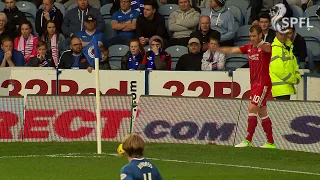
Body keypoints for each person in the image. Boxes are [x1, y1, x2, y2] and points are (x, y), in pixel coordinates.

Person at [215, 25, 276, 149]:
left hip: (263, 83)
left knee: (252, 108)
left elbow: (268, 48)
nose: (252, 38)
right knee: (262, 112)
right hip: (254, 84)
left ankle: (248, 140)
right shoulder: (249, 48)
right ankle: (270, 142)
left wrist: (260, 43)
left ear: (260, 35)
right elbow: (233, 51)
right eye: (250, 36)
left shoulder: (265, 46)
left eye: (254, 36)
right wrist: (218, 48)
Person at [270, 26, 300, 100]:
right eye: (281, 34)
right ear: (276, 34)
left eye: (285, 34)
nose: (283, 37)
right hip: (280, 89)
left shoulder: (287, 47)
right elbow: (279, 70)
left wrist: (297, 77)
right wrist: (293, 79)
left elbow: (294, 65)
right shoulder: (275, 49)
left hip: (285, 88)